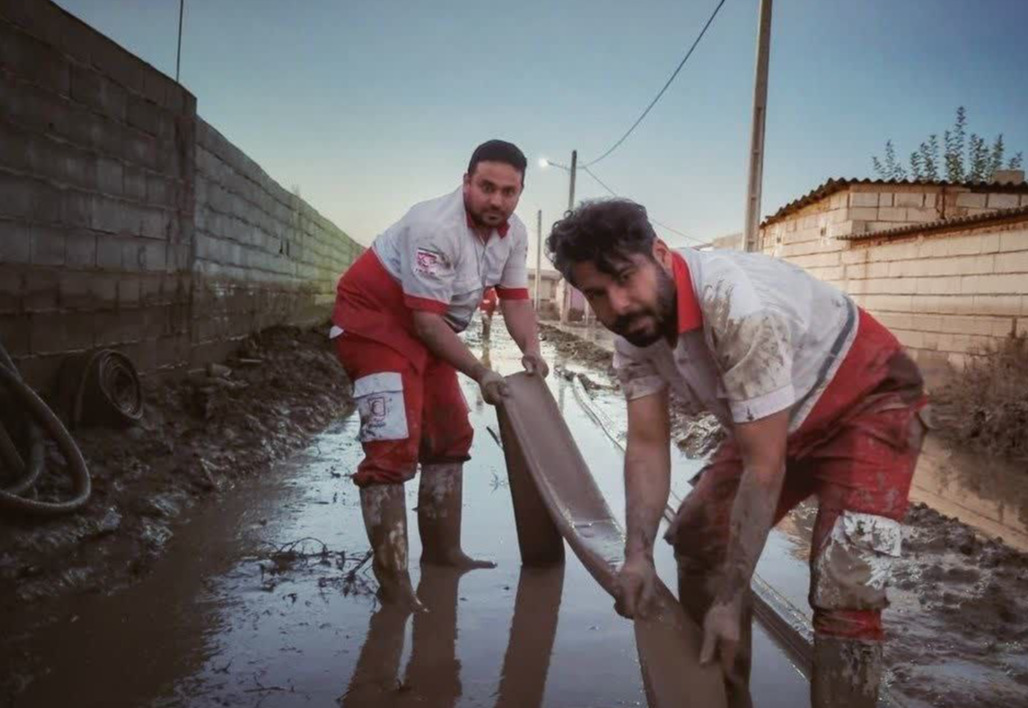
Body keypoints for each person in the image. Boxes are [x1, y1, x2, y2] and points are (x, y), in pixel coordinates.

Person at [545, 199, 927, 708]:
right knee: (700, 540)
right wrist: (637, 555)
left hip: (871, 403)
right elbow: (646, 443)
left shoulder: (737, 305)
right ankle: (724, 699)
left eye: (624, 279)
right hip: (779, 418)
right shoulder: (633, 333)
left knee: (846, 586)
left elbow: (763, 467)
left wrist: (730, 598)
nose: (617, 305)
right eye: (596, 293)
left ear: (659, 253)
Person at [331, 140, 549, 608]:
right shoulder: (435, 226)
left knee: (451, 435)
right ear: (466, 182)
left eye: (509, 192)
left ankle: (443, 554)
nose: (497, 200)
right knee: (392, 447)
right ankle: (394, 585)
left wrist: (531, 348)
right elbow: (425, 322)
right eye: (487, 187)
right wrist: (479, 371)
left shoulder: (513, 234)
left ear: (520, 192)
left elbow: (514, 299)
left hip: (430, 326)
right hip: (376, 324)